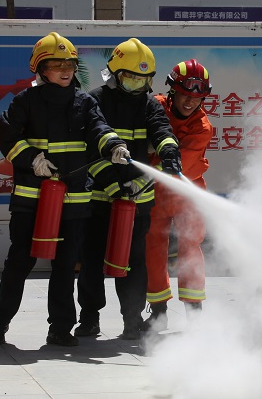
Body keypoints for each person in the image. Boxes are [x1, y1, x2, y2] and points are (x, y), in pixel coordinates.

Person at [0, 32, 131, 347]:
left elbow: (99, 128)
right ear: (41, 68)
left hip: (73, 202)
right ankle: (0, 322)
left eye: (70, 64)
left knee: (65, 266)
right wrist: (32, 159)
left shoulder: (84, 102)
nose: (65, 70)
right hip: (31, 200)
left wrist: (114, 145)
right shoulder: (25, 101)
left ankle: (61, 328)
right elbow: (7, 134)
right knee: (20, 262)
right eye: (56, 64)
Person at [75, 38, 181, 340]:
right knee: (91, 260)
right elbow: (89, 149)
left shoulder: (149, 105)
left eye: (143, 79)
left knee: (134, 263)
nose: (137, 84)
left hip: (137, 199)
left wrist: (169, 149)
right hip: (99, 197)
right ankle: (89, 318)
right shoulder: (94, 101)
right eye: (130, 77)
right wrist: (112, 184)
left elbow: (162, 130)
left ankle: (132, 321)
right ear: (114, 74)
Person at [141, 59, 213, 332]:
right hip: (156, 192)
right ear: (172, 90)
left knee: (190, 247)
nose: (190, 101)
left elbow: (180, 165)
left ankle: (195, 313)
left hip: (187, 191)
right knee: (153, 247)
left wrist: (153, 157)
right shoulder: (155, 106)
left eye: (197, 97)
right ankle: (158, 312)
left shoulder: (202, 127)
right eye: (185, 94)